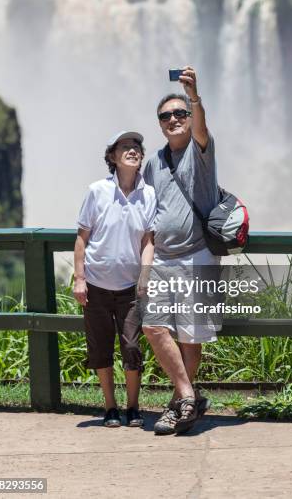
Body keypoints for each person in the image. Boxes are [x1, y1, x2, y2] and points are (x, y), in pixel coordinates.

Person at [142, 66, 221, 435]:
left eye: (180, 114)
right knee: (153, 324)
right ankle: (188, 394)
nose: (173, 119)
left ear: (189, 118)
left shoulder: (201, 151)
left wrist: (194, 95)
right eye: (166, 116)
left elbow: (202, 127)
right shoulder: (153, 162)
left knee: (190, 334)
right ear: (159, 124)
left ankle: (179, 406)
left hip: (196, 255)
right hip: (161, 258)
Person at [73, 131, 156, 428]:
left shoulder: (149, 194)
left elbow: (148, 241)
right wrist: (79, 279)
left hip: (130, 288)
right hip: (95, 285)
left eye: (136, 147)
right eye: (125, 147)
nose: (132, 150)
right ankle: (110, 407)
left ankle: (133, 407)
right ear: (112, 157)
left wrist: (145, 277)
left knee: (132, 347)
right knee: (100, 348)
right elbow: (82, 238)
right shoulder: (97, 191)